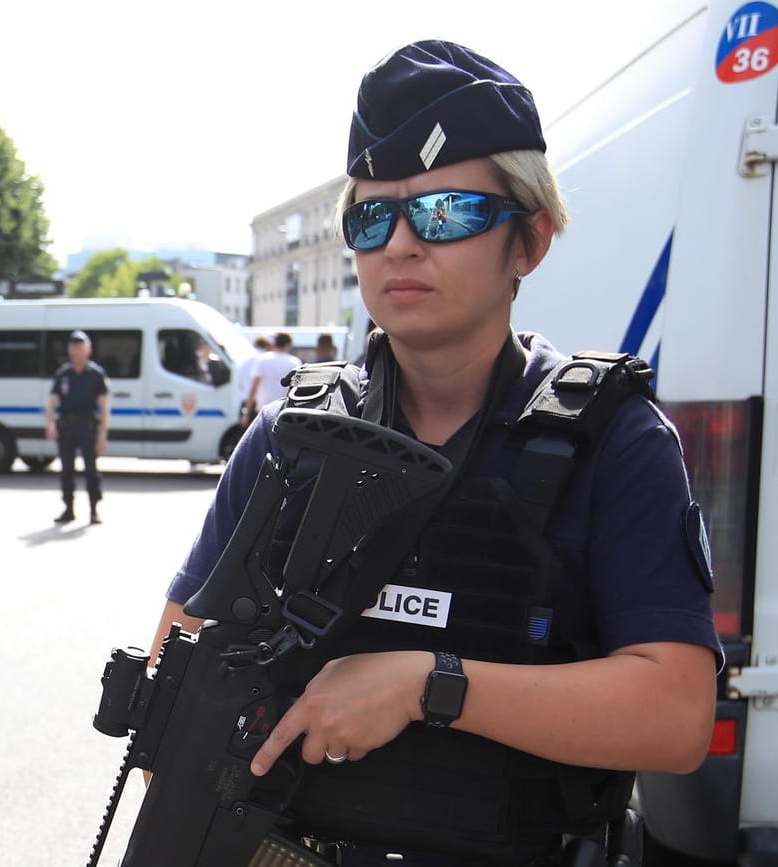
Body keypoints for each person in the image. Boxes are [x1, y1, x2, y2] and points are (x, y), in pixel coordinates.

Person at [148, 40, 720, 865]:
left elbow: (675, 715)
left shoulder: (613, 442)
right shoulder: (289, 436)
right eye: (372, 218)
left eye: (445, 212)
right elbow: (180, 672)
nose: (401, 245)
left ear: (529, 241)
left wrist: (431, 685)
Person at [45, 330, 110, 525]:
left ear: (88, 350)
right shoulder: (63, 374)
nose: (77, 351)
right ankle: (68, 508)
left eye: (81, 347)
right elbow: (51, 402)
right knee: (66, 470)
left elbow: (105, 406)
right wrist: (50, 424)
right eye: (74, 347)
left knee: (91, 469)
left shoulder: (96, 374)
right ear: (69, 350)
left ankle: (93, 509)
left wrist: (102, 435)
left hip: (88, 426)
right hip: (66, 427)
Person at [243, 331, 301, 420]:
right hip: (284, 410)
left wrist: (246, 412)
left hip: (263, 410)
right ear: (288, 344)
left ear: (274, 343)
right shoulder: (294, 362)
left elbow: (254, 387)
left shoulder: (262, 360)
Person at [237, 334, 271, 427]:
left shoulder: (245, 359)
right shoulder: (265, 360)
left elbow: (240, 383)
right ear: (267, 346)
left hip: (245, 401)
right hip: (259, 403)